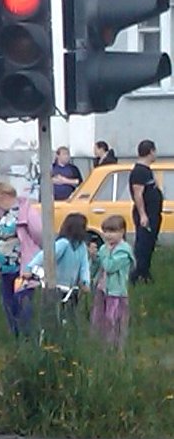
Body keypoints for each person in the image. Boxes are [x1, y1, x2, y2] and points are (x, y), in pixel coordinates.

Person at [27, 213, 92, 313]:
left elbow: (84, 265)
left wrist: (85, 281)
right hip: (55, 287)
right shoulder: (63, 243)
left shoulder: (82, 246)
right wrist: (30, 268)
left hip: (71, 289)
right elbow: (45, 256)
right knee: (52, 313)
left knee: (69, 313)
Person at [0, 183, 30, 336]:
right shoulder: (4, 215)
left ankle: (22, 332)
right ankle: (13, 329)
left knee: (19, 299)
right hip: (5, 264)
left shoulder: (21, 212)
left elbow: (34, 233)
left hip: (18, 263)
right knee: (7, 299)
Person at [90, 215, 134, 346]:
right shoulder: (104, 248)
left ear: (122, 232)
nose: (109, 235)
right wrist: (94, 257)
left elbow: (110, 267)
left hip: (116, 291)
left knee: (113, 318)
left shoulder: (123, 251)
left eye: (113, 232)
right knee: (99, 316)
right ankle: (99, 343)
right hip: (102, 288)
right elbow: (98, 266)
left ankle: (114, 345)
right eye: (106, 231)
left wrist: (106, 254)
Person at [129, 139, 161, 284]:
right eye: (154, 151)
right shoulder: (139, 171)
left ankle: (145, 272)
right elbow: (138, 194)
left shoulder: (147, 170)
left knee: (150, 243)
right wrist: (143, 215)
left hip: (153, 213)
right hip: (146, 214)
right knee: (143, 244)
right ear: (151, 152)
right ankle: (137, 274)